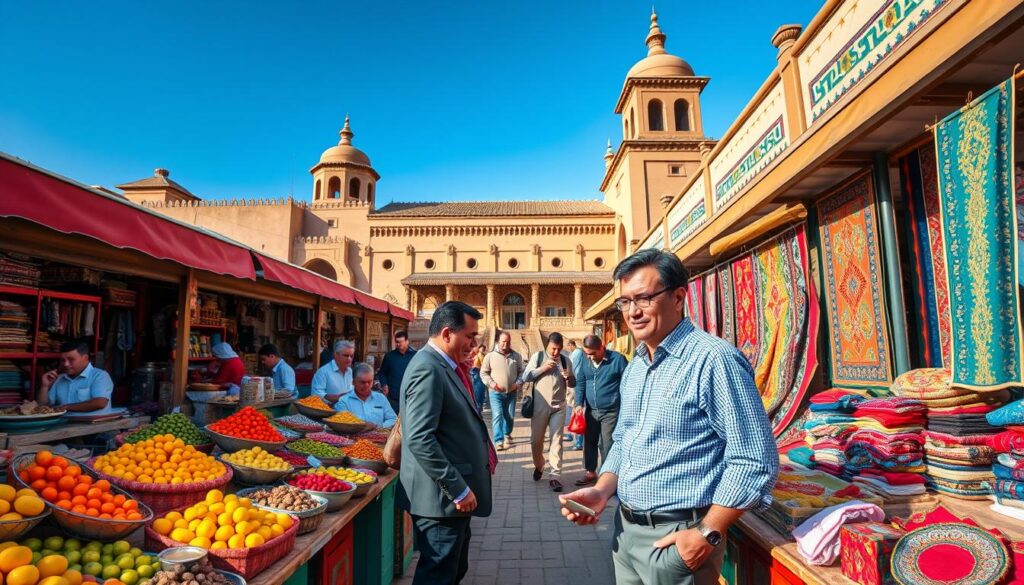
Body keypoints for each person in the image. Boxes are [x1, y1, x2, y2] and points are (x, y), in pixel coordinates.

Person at [559, 249, 778, 585]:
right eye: (625, 302)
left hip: (676, 537)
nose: (632, 312)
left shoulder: (713, 360)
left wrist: (708, 531)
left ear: (678, 297)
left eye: (644, 298)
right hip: (625, 533)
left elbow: (754, 459)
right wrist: (602, 490)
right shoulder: (635, 367)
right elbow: (623, 440)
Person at [400, 301, 495, 584]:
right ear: (447, 333)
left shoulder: (445, 366)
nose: (474, 343)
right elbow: (419, 438)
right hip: (440, 500)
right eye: (470, 336)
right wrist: (456, 488)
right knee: (439, 573)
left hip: (449, 500)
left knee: (453, 569)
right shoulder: (428, 368)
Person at [523, 332, 576, 492]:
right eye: (553, 349)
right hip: (540, 405)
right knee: (535, 441)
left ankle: (555, 476)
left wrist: (569, 377)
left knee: (556, 441)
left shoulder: (566, 360)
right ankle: (539, 465)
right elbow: (526, 376)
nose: (555, 353)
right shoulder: (538, 357)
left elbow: (574, 382)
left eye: (559, 349)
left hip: (559, 407)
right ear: (548, 345)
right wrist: (543, 368)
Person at [572, 334, 627, 486]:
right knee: (589, 441)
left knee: (607, 443)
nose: (589, 357)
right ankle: (590, 472)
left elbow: (627, 384)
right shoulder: (585, 361)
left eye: (593, 353)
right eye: (587, 354)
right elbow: (581, 383)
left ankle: (607, 476)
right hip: (590, 411)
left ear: (602, 347)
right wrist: (578, 403)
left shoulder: (618, 360)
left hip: (611, 411)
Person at [37, 340, 113, 412]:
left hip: (94, 425)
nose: (65, 364)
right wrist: (45, 386)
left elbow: (100, 403)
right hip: (65, 425)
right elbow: (42, 408)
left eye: (71, 359)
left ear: (85, 358)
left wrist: (66, 407)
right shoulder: (60, 379)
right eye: (63, 360)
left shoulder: (100, 376)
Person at [480, 331, 525, 451]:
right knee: (498, 415)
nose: (506, 344)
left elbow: (522, 372)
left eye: (508, 342)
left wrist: (517, 383)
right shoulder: (490, 356)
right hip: (495, 392)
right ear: (498, 342)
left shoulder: (516, 356)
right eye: (503, 342)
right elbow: (483, 373)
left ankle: (507, 434)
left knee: (509, 416)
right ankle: (499, 440)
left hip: (511, 392)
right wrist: (492, 384)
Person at [334, 362, 397, 428]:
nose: (366, 385)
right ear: (353, 382)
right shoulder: (343, 401)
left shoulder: (381, 398)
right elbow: (343, 424)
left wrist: (377, 426)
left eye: (369, 382)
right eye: (362, 382)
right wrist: (363, 426)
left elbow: (393, 419)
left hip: (380, 436)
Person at [377, 330, 417, 414]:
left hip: (410, 397)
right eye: (396, 342)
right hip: (393, 397)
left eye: (400, 342)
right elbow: (382, 373)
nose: (397, 344)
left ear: (407, 341)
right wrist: (384, 384)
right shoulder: (389, 356)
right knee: (393, 422)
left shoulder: (415, 356)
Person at [565, 339, 585, 450]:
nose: (567, 348)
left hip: (576, 386)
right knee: (574, 413)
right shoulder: (574, 354)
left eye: (568, 346)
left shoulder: (577, 353)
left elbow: (575, 371)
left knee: (576, 413)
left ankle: (578, 441)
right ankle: (573, 436)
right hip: (576, 386)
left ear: (571, 345)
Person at [470, 345, 487, 413]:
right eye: (481, 348)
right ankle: (478, 407)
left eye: (483, 349)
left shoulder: (480, 355)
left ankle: (478, 407)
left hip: (477, 372)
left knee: (478, 391)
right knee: (478, 391)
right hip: (476, 372)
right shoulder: (479, 355)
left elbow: (483, 364)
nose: (482, 350)